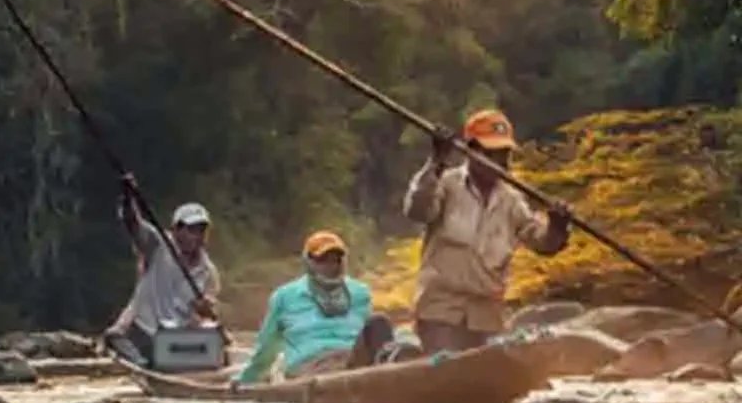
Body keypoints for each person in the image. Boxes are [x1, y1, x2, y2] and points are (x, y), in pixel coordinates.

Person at [401, 108, 570, 354]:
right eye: (491, 154)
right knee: (448, 374)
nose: (499, 162)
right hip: (441, 312)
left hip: (487, 317)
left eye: (504, 155)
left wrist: (558, 225)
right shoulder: (445, 184)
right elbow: (417, 210)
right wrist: (436, 160)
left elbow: (544, 244)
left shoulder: (512, 201)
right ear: (470, 151)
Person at [236, 230, 398, 385]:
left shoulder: (360, 292)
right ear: (309, 262)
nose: (330, 266)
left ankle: (397, 369)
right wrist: (245, 380)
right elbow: (266, 349)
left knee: (379, 322)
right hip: (309, 366)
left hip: (351, 359)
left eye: (336, 260)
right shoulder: (285, 296)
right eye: (323, 260)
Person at [102, 175, 220, 367]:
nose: (197, 236)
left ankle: (168, 365)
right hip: (145, 330)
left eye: (201, 230)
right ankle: (144, 364)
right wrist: (128, 197)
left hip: (175, 339)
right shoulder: (157, 245)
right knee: (115, 338)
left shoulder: (208, 272)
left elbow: (206, 312)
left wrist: (205, 309)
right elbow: (133, 223)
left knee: (208, 344)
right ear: (176, 230)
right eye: (192, 230)